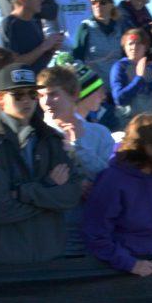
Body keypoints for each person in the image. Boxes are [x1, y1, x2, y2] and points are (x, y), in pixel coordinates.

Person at [0, 64, 82, 265]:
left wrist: (25, 193)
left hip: (50, 259)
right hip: (5, 264)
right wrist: (49, 188)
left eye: (33, 94)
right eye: (18, 95)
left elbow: (72, 195)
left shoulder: (52, 140)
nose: (27, 100)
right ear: (0, 99)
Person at [83, 111, 152, 275]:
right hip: (118, 271)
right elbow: (96, 233)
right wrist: (129, 263)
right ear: (147, 146)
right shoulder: (112, 179)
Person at [38, 65, 111, 256]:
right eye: (40, 96)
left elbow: (109, 178)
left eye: (54, 94)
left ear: (73, 94)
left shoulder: (99, 133)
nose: (46, 102)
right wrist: (73, 185)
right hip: (52, 232)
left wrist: (79, 146)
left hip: (95, 229)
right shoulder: (34, 135)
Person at [1, 0, 62, 74]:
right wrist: (44, 46)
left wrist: (52, 49)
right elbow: (13, 64)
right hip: (23, 86)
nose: (42, 0)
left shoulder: (35, 22)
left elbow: (39, 63)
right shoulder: (10, 24)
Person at [110, 28, 152, 127]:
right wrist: (139, 78)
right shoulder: (119, 67)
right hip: (128, 124)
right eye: (130, 43)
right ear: (124, 47)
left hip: (150, 123)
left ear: (146, 47)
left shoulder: (150, 68)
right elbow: (119, 98)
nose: (134, 47)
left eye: (138, 43)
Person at [73, 0, 126, 86]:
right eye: (94, 2)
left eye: (102, 2)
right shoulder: (85, 27)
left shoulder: (120, 28)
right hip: (96, 88)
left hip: (117, 87)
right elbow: (77, 59)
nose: (97, 5)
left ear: (111, 5)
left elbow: (125, 58)